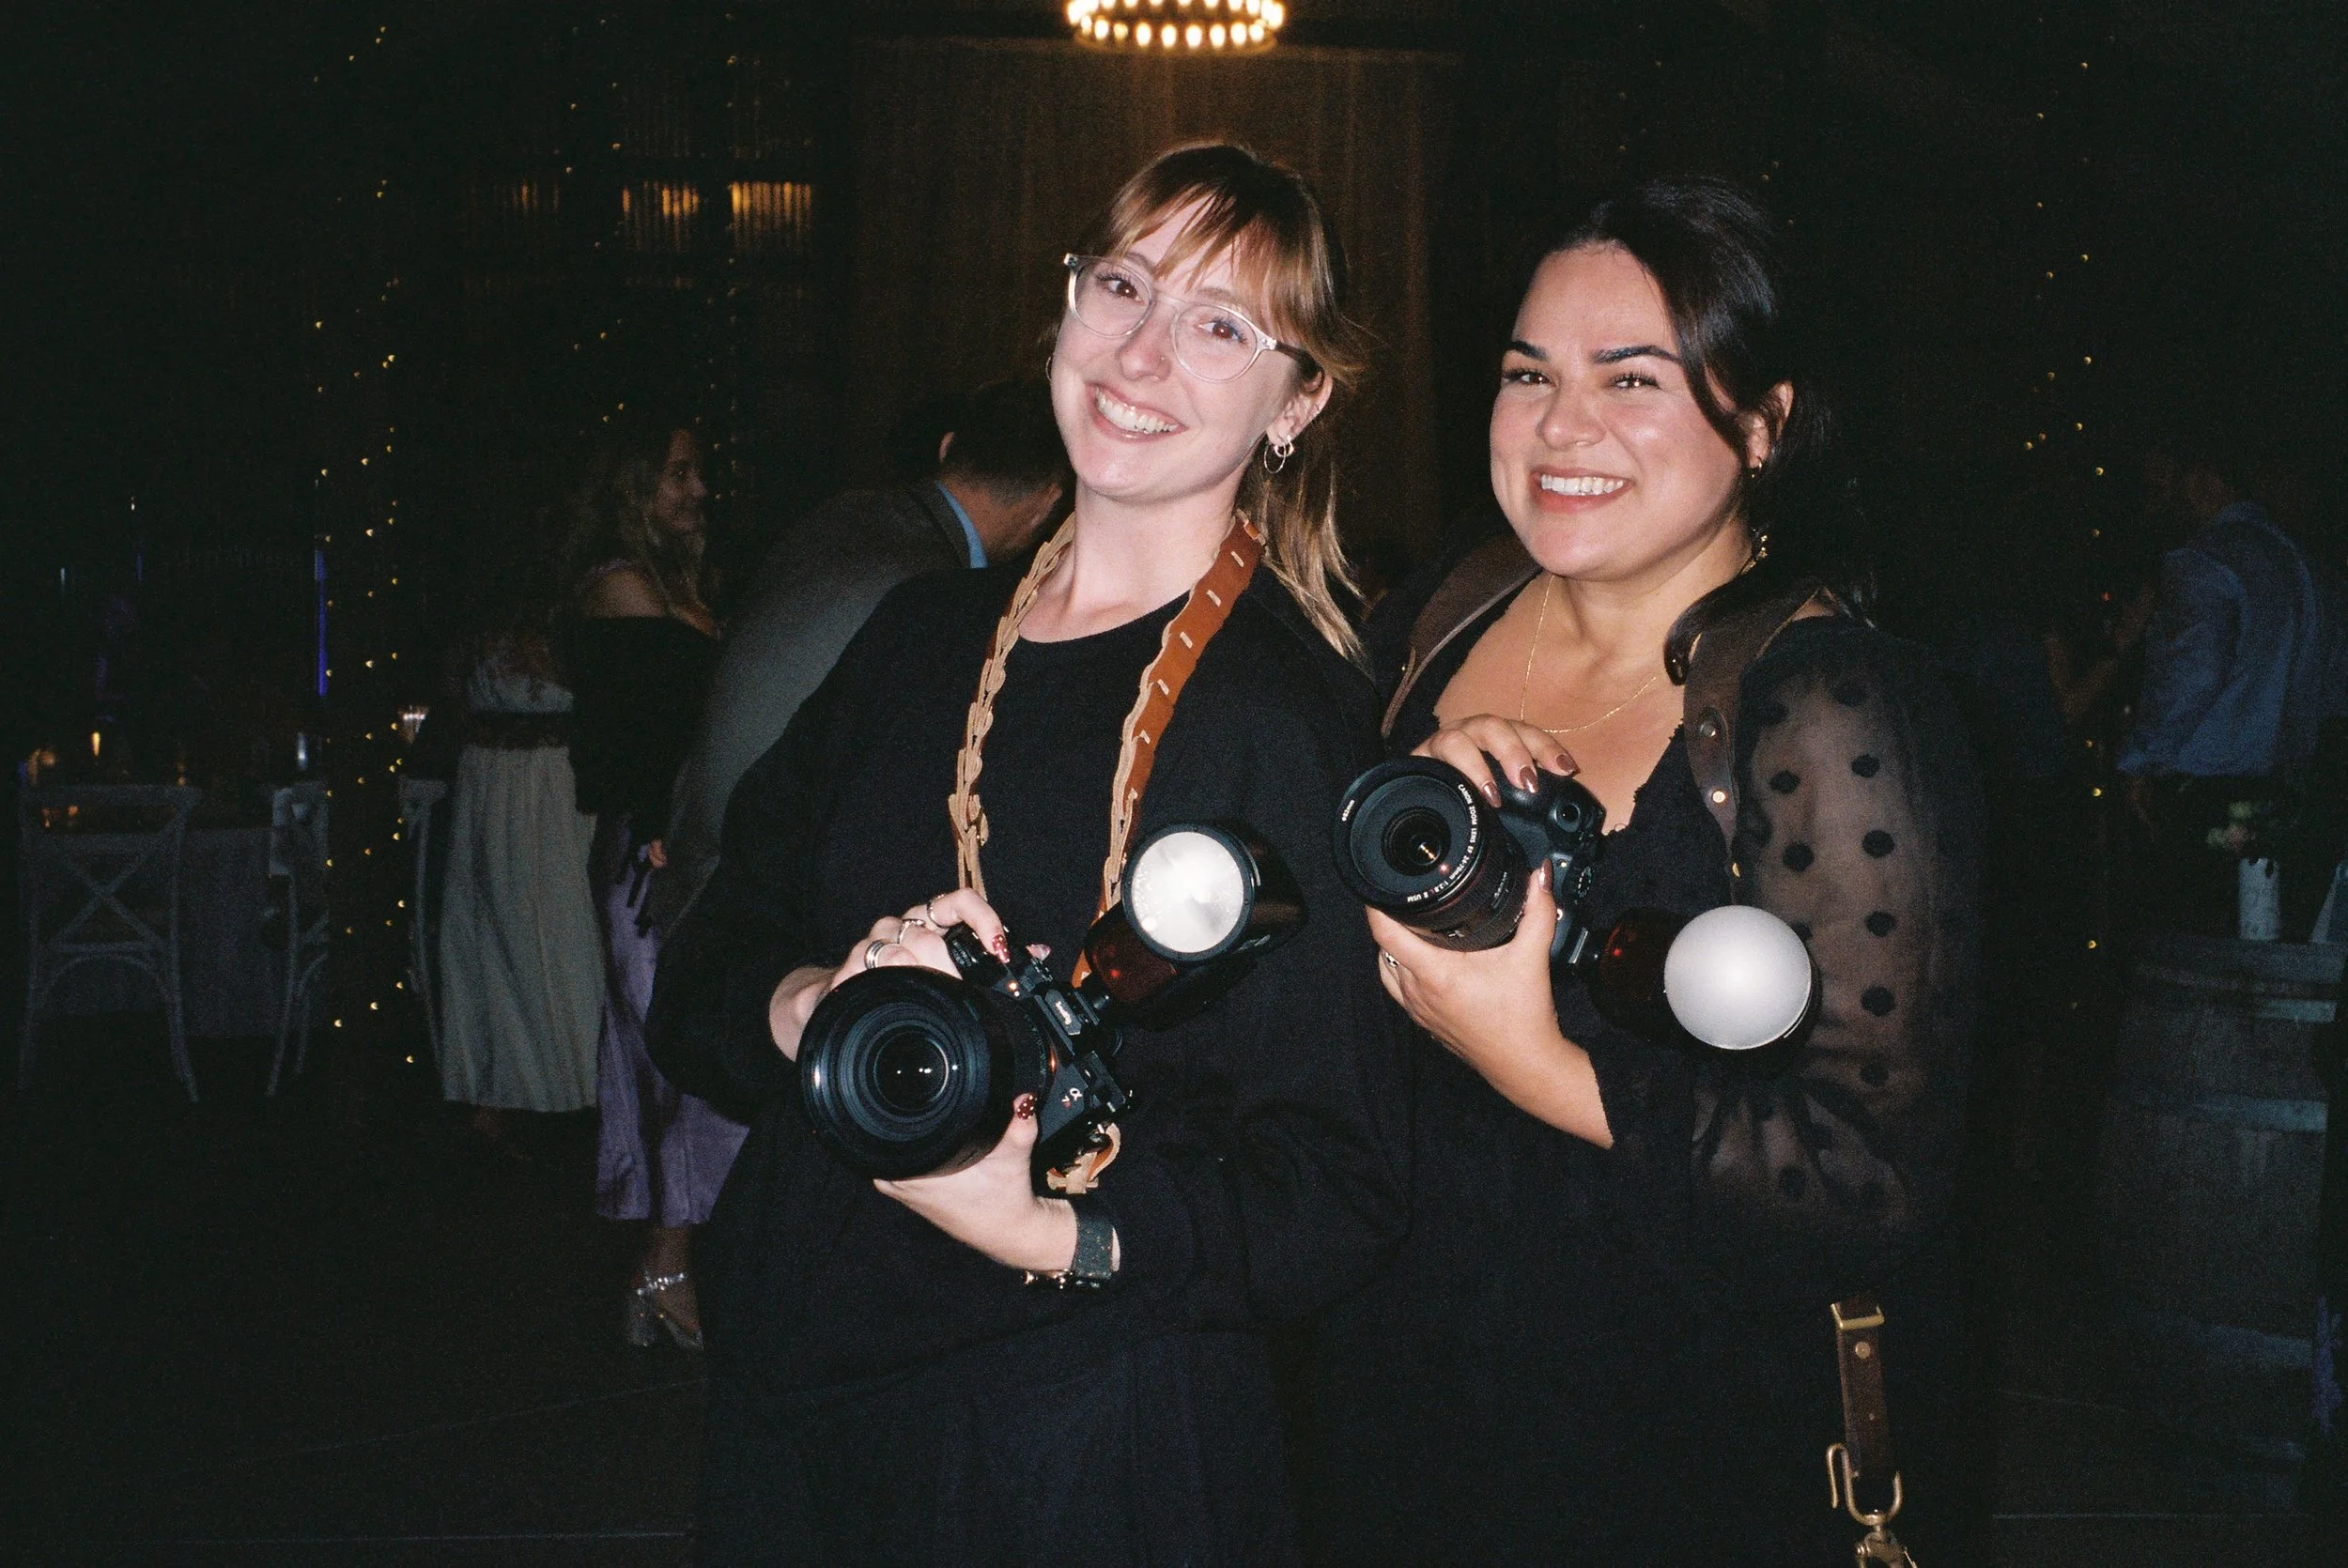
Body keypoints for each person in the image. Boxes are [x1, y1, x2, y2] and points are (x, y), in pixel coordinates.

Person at [646, 142, 1408, 1563]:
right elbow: (700, 957)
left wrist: (1057, 1228)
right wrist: (807, 1000)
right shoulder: (919, 636)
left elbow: (1339, 1189)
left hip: (1080, 1428)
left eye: (1221, 325)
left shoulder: (1287, 721)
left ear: (1298, 400)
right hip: (796, 1398)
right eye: (1120, 285)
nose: (1142, 352)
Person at [1310, 179, 1984, 1563]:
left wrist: (1530, 1056)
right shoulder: (1442, 609)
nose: (1563, 427)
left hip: (1676, 1436)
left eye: (1633, 379)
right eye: (1527, 374)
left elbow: (1869, 1180)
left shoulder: (1834, 701)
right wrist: (1402, 784)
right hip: (1392, 1389)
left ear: (1767, 419)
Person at [649, 377, 1068, 932]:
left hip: (687, 850)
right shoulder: (933, 592)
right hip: (748, 905)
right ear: (1048, 506)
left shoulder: (847, 515)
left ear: (946, 449)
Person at [561, 411, 744, 1348]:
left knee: (682, 1050)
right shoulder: (621, 587)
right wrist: (669, 828)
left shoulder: (677, 583)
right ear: (633, 484)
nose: (697, 488)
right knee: (672, 1056)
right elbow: (639, 731)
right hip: (650, 850)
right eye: (678, 473)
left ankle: (662, 1267)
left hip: (679, 839)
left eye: (697, 471)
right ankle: (667, 1264)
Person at [2118, 437, 2348, 932]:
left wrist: (2140, 762)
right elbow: (2335, 694)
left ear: (2200, 478)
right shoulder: (2310, 566)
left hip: (2206, 801)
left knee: (2190, 954)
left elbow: (2190, 674)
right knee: (2265, 958)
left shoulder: (2204, 560)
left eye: (2160, 481)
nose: (2155, 496)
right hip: (2291, 801)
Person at [435, 515, 603, 1145]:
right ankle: (495, 1096)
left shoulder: (567, 618)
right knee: (491, 934)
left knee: (556, 934)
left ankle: (575, 1089)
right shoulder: (484, 630)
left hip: (548, 787)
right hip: (501, 783)